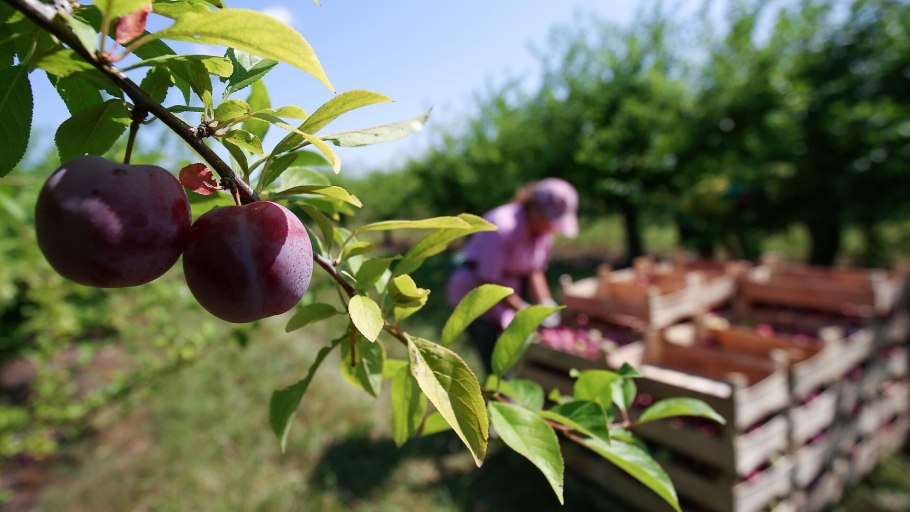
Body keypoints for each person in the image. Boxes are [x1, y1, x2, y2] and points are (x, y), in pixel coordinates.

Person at [446, 177, 579, 375]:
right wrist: (524, 310)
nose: (551, 227)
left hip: (506, 292)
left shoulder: (542, 233)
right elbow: (488, 282)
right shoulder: (501, 225)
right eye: (549, 219)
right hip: (476, 295)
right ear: (534, 207)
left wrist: (545, 304)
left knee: (513, 354)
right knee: (494, 357)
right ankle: (495, 389)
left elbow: (534, 270)